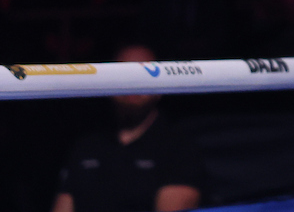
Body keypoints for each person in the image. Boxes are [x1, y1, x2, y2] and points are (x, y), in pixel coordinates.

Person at [52, 45, 203, 212]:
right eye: (124, 74)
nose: (133, 83)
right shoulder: (86, 147)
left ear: (161, 86)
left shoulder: (179, 148)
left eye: (144, 75)